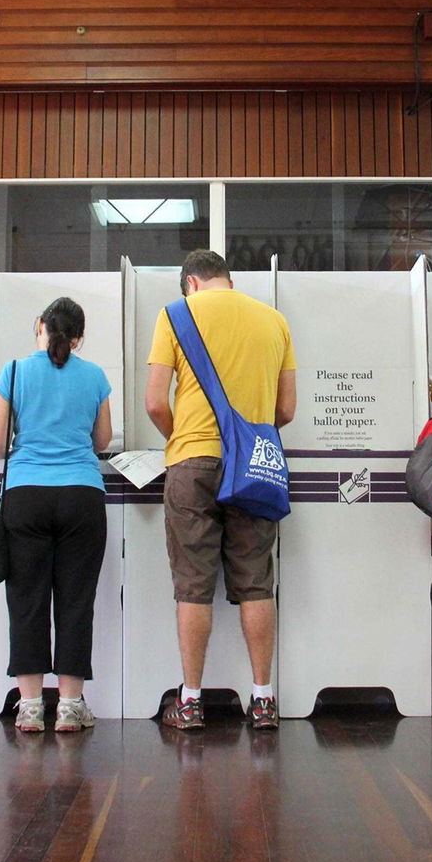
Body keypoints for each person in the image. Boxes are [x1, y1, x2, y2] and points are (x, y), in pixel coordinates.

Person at [145, 249, 296, 731]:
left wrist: (182, 441)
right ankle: (265, 700)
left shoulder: (175, 316)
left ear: (190, 282)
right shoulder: (275, 322)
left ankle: (190, 702)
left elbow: (154, 403)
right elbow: (286, 411)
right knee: (256, 580)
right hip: (251, 464)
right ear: (225, 279)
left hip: (191, 462)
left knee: (193, 584)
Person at [0, 297, 113, 734]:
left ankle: (30, 707)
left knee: (27, 600)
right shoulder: (95, 376)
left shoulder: (14, 372)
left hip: (25, 496)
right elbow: (101, 441)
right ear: (78, 338)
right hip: (81, 496)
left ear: (38, 325)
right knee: (76, 601)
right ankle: (71, 705)